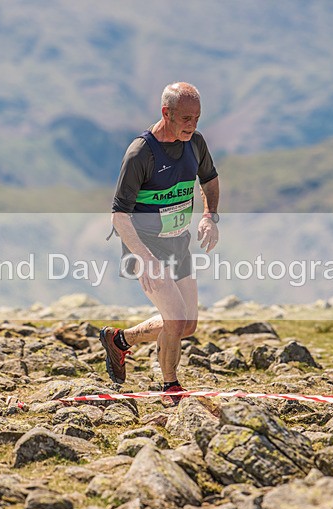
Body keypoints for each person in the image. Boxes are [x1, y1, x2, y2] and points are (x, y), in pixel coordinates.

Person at [99, 82, 220, 405]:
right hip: (145, 247)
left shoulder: (195, 143)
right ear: (166, 113)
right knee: (175, 318)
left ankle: (120, 341)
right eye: (185, 119)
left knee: (188, 325)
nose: (192, 125)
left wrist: (210, 217)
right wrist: (145, 258)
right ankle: (170, 387)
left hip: (177, 244)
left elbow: (210, 179)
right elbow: (119, 216)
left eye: (197, 118)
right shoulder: (141, 153)